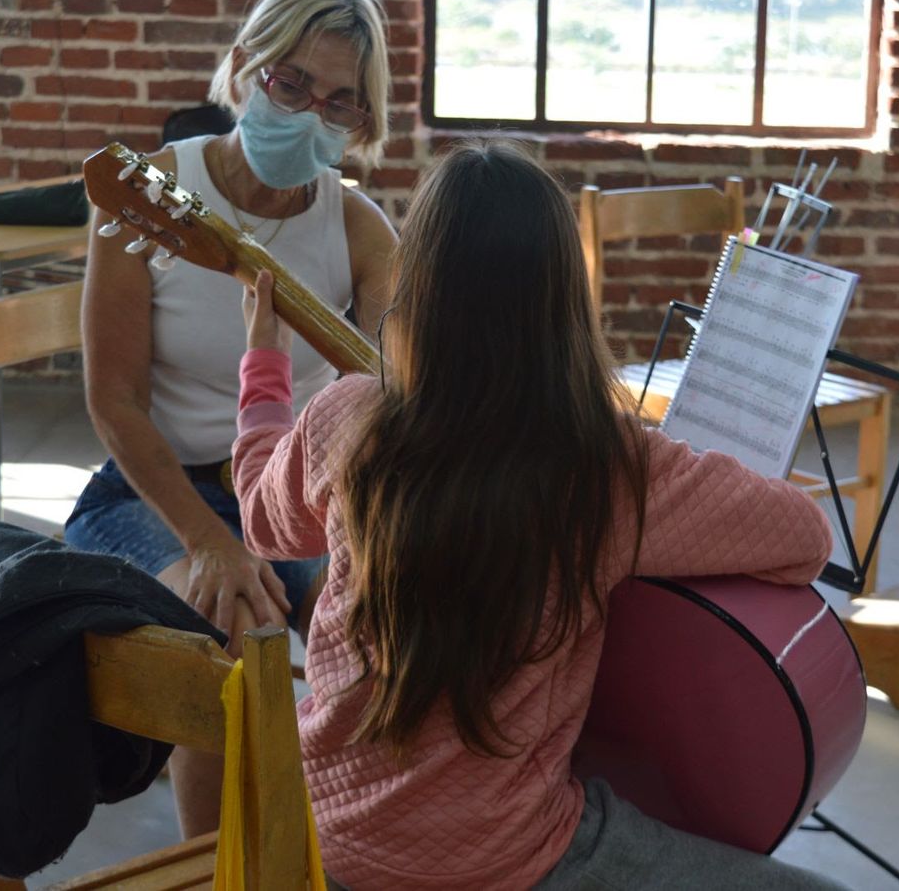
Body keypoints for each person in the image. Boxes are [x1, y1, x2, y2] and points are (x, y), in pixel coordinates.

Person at [231, 141, 850, 889]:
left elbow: (267, 524)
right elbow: (805, 537)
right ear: (563, 299)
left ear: (417, 285)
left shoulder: (345, 418)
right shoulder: (609, 467)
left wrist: (263, 367)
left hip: (324, 837)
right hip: (505, 860)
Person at [64, 0, 397, 837]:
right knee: (227, 618)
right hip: (159, 492)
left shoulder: (358, 225)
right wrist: (209, 539)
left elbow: (405, 379)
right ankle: (218, 861)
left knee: (395, 605)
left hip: (304, 491)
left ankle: (349, 837)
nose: (307, 113)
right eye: (290, 83)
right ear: (245, 68)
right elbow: (115, 400)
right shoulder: (148, 197)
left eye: (338, 103)